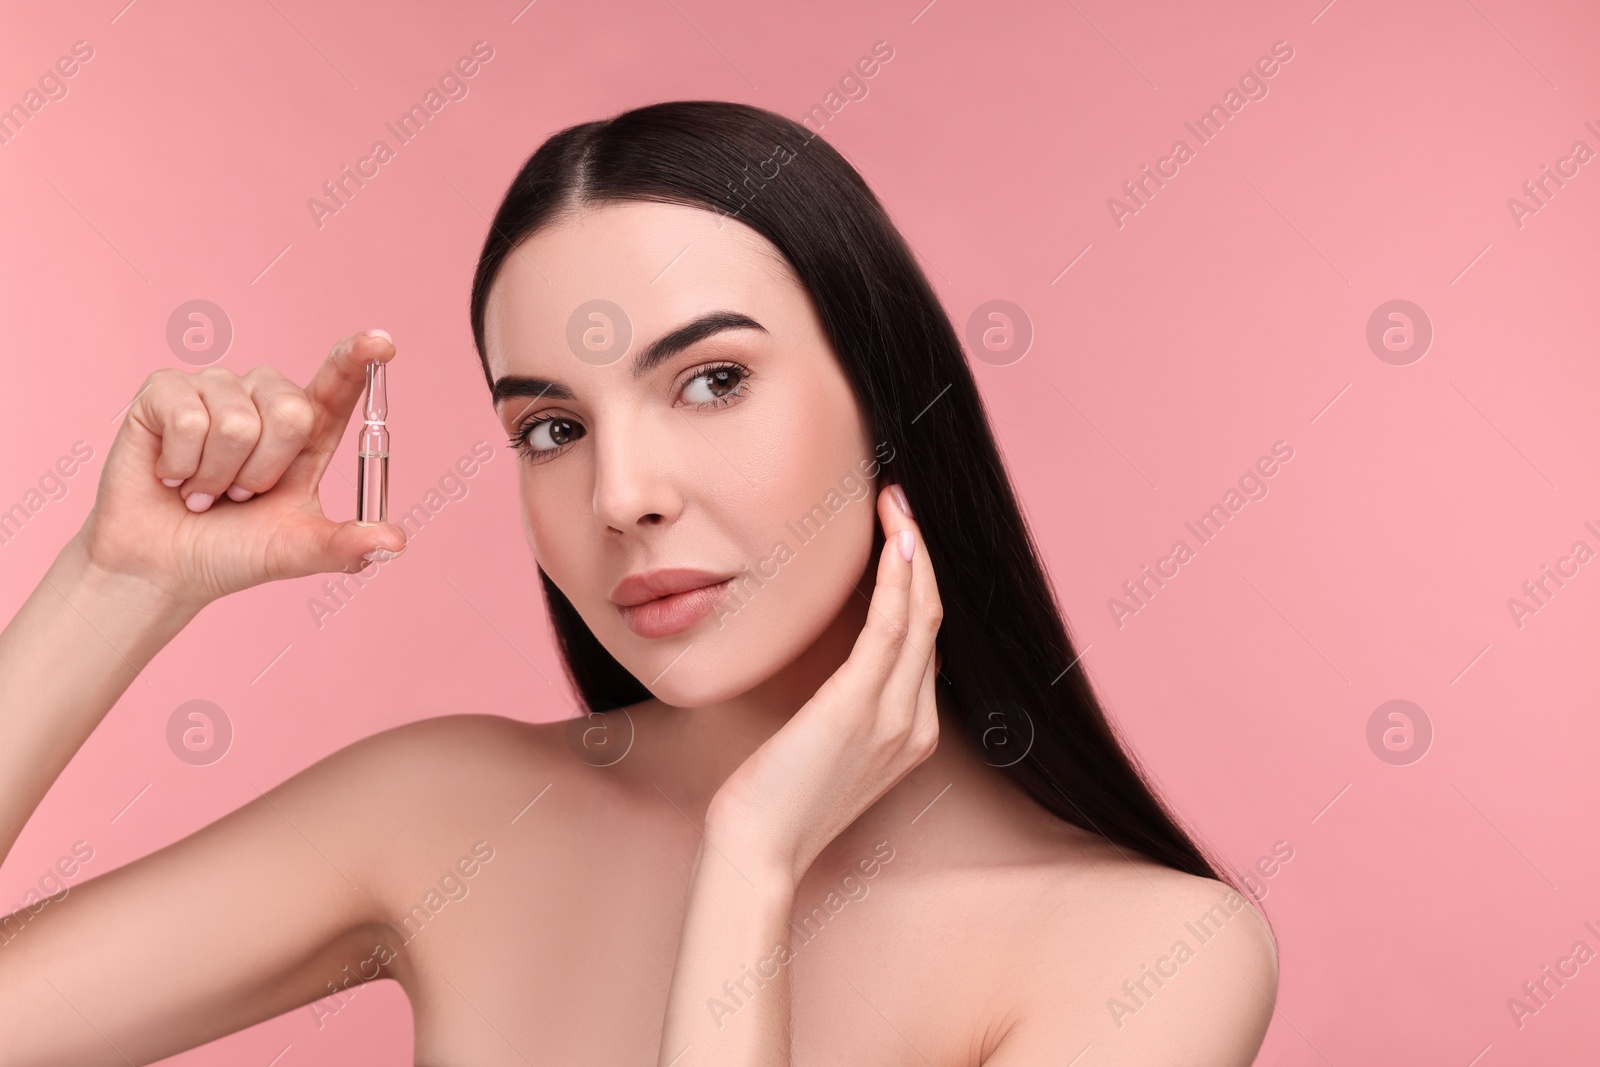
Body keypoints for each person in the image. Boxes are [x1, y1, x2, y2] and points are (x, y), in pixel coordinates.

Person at [0, 100, 1277, 1064]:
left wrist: (751, 867)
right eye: (551, 427)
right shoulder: (447, 809)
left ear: (889, 402)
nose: (621, 493)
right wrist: (117, 585)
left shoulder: (1145, 953)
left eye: (711, 379)